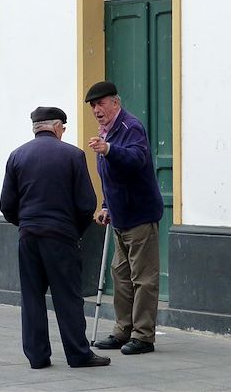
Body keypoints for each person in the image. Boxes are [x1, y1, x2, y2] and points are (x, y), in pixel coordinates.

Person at [0, 106, 111, 369]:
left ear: (36, 127)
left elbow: (7, 205)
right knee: (68, 297)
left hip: (28, 236)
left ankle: (37, 357)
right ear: (58, 126)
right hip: (61, 236)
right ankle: (78, 354)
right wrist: (73, 231)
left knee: (32, 297)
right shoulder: (73, 155)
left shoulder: (17, 156)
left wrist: (26, 224)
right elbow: (86, 204)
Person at [85, 81, 163, 356]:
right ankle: (122, 330)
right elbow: (110, 179)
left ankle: (143, 336)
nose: (96, 109)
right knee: (121, 276)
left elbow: (136, 160)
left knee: (143, 279)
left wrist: (109, 150)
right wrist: (106, 205)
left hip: (140, 216)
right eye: (93, 106)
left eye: (101, 103)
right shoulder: (107, 132)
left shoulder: (131, 128)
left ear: (115, 103)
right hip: (120, 218)